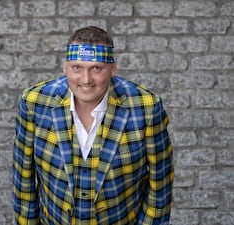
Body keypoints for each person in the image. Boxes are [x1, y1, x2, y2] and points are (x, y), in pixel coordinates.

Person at [13, 26, 174, 225]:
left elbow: (161, 186)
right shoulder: (34, 103)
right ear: (65, 67)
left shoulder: (146, 108)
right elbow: (23, 180)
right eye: (77, 68)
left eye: (96, 68)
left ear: (113, 69)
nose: (86, 80)